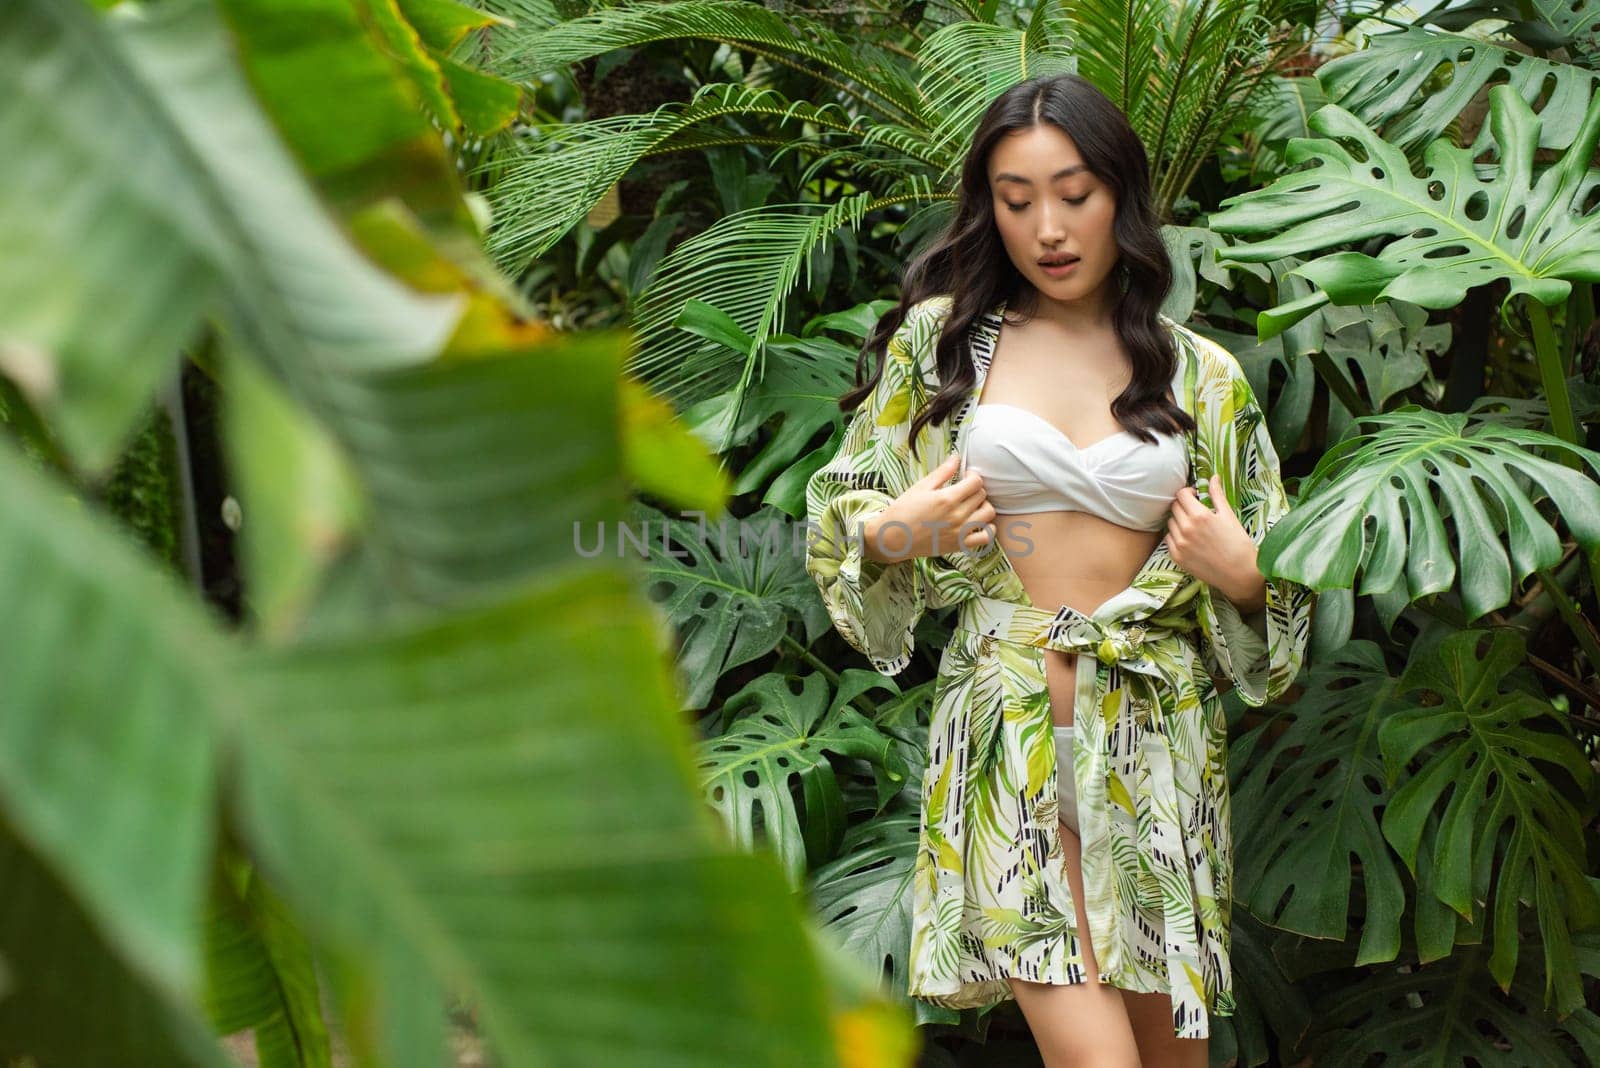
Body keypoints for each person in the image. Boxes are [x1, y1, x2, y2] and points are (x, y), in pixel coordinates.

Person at [804, 73, 1315, 1067]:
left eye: (1072, 193)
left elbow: (1279, 570)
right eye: (1016, 197)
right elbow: (846, 516)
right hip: (1009, 741)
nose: (1047, 226)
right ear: (987, 208)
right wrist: (896, 529)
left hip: (1155, 748)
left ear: (1119, 193)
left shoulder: (1197, 373)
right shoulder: (949, 348)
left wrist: (1243, 575)